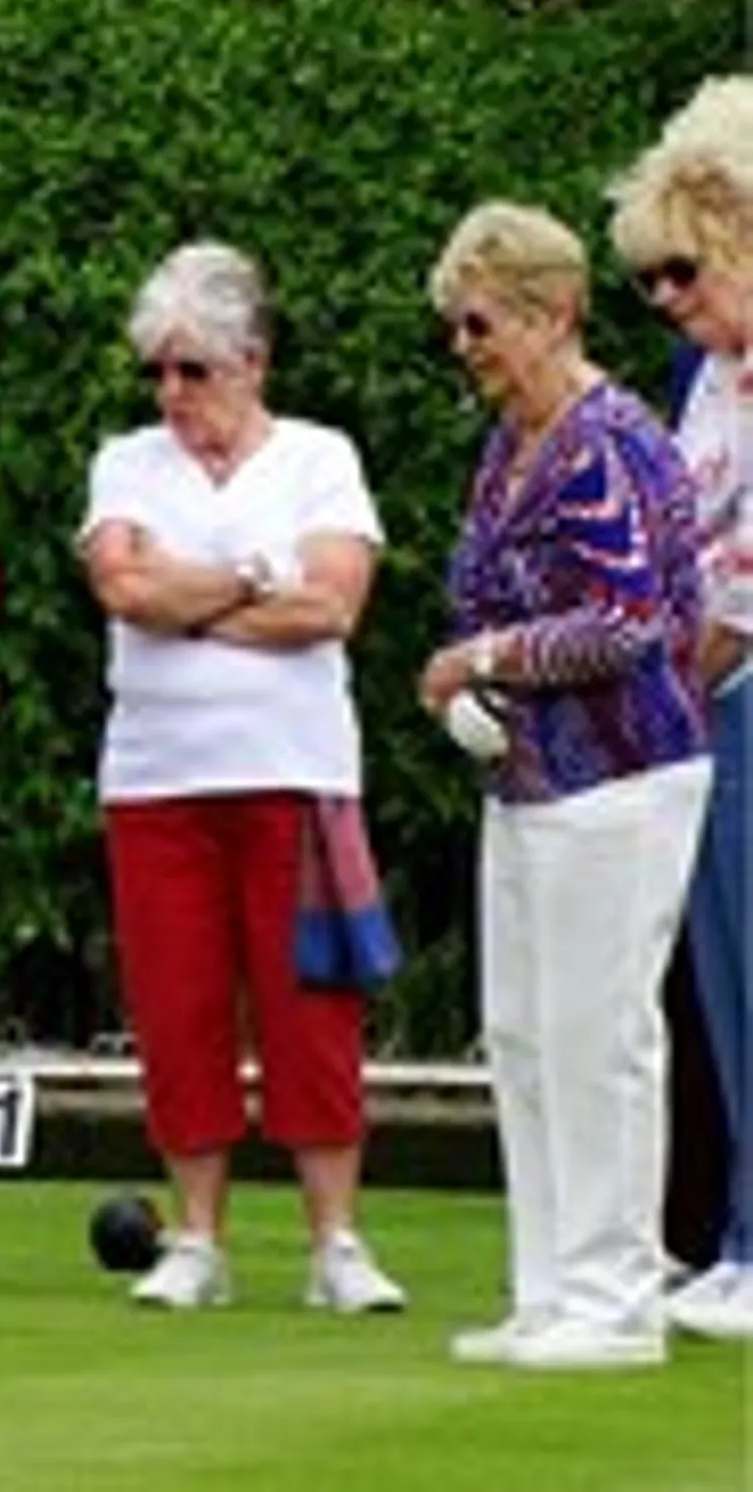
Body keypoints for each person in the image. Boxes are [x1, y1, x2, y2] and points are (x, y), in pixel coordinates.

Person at [79, 241, 406, 1315]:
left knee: (308, 1004)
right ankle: (197, 1236)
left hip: (293, 770)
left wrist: (195, 593)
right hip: (155, 780)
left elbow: (330, 607)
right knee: (177, 1006)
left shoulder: (318, 456)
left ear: (251, 362)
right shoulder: (126, 461)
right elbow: (123, 587)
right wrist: (255, 576)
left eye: (194, 371)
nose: (170, 394)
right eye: (158, 373)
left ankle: (335, 1241)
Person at [419, 201, 711, 1370]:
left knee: (598, 1036)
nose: (464, 346)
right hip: (530, 776)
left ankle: (614, 1296)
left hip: (625, 773)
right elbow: (486, 596)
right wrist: (470, 683)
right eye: (455, 325)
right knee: (524, 1035)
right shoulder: (509, 444)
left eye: (477, 322)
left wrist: (485, 660)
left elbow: (631, 621)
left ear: (549, 313)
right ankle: (548, 1285)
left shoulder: (613, 439)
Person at [609, 74, 753, 1340]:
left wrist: (675, 674)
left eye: (683, 275)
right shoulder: (700, 377)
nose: (667, 302)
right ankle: (738, 1236)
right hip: (706, 707)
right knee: (715, 979)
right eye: (651, 280)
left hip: (743, 687)